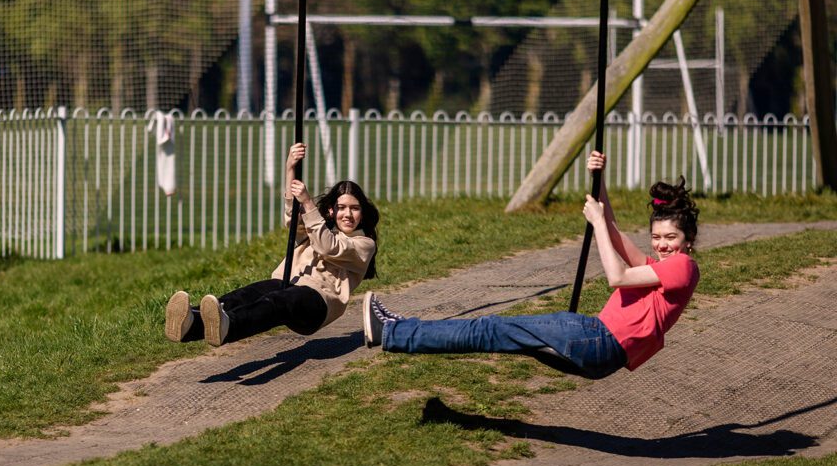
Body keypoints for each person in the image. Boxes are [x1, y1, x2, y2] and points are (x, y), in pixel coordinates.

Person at [363, 150, 699, 379]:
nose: (661, 244)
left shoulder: (683, 267)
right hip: (597, 350)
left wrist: (596, 223)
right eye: (657, 237)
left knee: (488, 330)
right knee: (492, 335)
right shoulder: (660, 269)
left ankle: (392, 331)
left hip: (598, 340)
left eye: (670, 238)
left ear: (687, 240)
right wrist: (601, 180)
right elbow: (613, 233)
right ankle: (399, 330)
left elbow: (617, 276)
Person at [166, 142, 379, 346]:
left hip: (319, 303)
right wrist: (290, 169)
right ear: (332, 210)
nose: (348, 214)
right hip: (289, 282)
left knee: (278, 302)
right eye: (342, 207)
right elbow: (293, 220)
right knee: (247, 294)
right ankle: (192, 323)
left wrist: (307, 202)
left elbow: (328, 247)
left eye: (354, 208)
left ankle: (228, 326)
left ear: (363, 212)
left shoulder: (364, 244)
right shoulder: (318, 227)